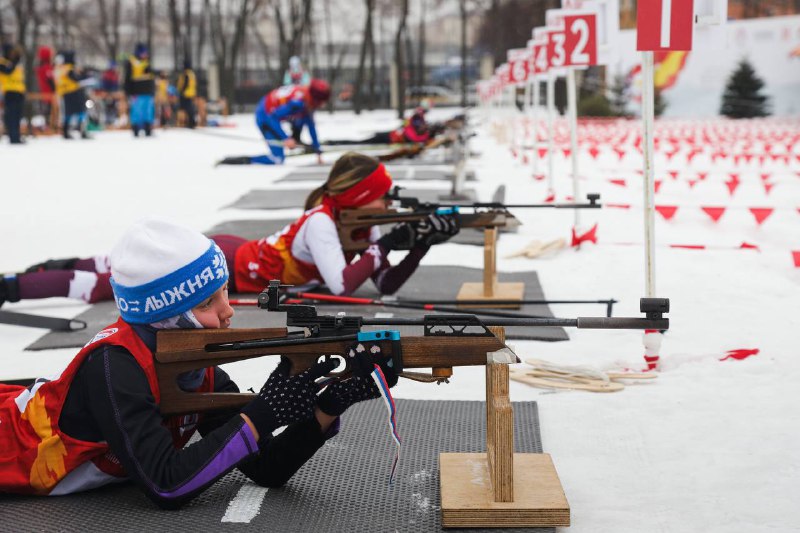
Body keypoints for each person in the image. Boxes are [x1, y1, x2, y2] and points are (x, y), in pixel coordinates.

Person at [0, 217, 398, 508]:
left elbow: (267, 469)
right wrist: (261, 415)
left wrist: (327, 407)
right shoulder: (115, 365)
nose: (228, 312)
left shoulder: (193, 367)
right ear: (166, 315)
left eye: (225, 293)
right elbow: (166, 485)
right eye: (208, 303)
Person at [1, 153, 459, 308]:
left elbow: (383, 286)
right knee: (112, 285)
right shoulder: (322, 222)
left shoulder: (364, 226)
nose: (388, 205)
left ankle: (58, 265)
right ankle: (15, 286)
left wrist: (417, 247)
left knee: (117, 269)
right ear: (359, 199)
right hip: (227, 263)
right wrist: (392, 245)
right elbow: (343, 284)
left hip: (241, 257)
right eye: (381, 196)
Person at [216, 78, 331, 166]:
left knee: (303, 117)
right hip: (264, 116)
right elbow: (272, 118)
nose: (320, 106)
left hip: (275, 114)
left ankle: (295, 138)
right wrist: (285, 138)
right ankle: (247, 160)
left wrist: (317, 149)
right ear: (314, 99)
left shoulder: (305, 101)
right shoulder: (297, 103)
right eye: (320, 103)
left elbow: (310, 124)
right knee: (277, 159)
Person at [323, 102, 432, 147]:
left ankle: (333, 142)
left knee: (363, 141)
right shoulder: (413, 125)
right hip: (389, 136)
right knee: (362, 142)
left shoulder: (415, 124)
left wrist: (424, 135)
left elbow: (414, 135)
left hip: (390, 136)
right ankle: (333, 142)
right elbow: (413, 135)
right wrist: (425, 136)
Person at [55, 51, 90, 140]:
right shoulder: (69, 69)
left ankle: (65, 132)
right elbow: (76, 79)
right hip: (74, 93)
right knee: (81, 112)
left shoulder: (61, 68)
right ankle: (83, 131)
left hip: (65, 94)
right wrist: (85, 75)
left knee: (67, 114)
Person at [124, 42, 155, 137]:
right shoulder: (132, 62)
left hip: (147, 92)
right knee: (137, 112)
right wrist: (128, 92)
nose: (145, 54)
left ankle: (148, 128)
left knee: (148, 112)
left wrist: (153, 91)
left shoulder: (147, 62)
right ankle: (136, 128)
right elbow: (127, 79)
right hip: (136, 92)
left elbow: (151, 78)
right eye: (143, 52)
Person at [0, 43, 26, 144]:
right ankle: (13, 137)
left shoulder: (15, 63)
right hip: (9, 92)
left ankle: (17, 136)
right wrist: (15, 61)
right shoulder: (3, 63)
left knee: (18, 116)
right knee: (11, 115)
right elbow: (8, 71)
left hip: (19, 92)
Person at [35, 46, 55, 127]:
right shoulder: (47, 67)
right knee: (49, 111)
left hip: (43, 91)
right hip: (49, 92)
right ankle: (49, 126)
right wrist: (55, 89)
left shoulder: (40, 66)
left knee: (46, 111)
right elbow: (50, 80)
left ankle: (47, 124)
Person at [176, 58, 196, 129]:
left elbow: (185, 84)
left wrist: (181, 91)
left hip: (185, 94)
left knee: (183, 109)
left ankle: (183, 123)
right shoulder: (192, 74)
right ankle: (191, 122)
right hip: (191, 94)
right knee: (190, 109)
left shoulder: (186, 74)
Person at [100, 60, 120, 126]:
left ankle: (112, 120)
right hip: (108, 92)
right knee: (108, 106)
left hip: (113, 92)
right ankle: (108, 120)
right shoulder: (107, 74)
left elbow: (116, 84)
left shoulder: (115, 74)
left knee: (113, 106)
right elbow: (105, 84)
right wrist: (108, 92)